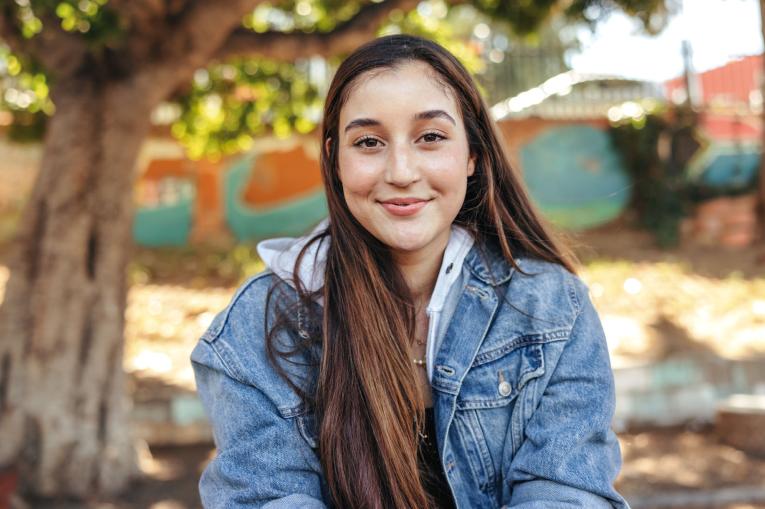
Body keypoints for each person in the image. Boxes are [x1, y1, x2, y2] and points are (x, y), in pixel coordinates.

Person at [191, 34, 630, 509]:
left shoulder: (552, 311)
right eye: (369, 142)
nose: (401, 171)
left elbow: (567, 494)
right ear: (335, 160)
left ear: (472, 157)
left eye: (431, 137)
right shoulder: (260, 326)